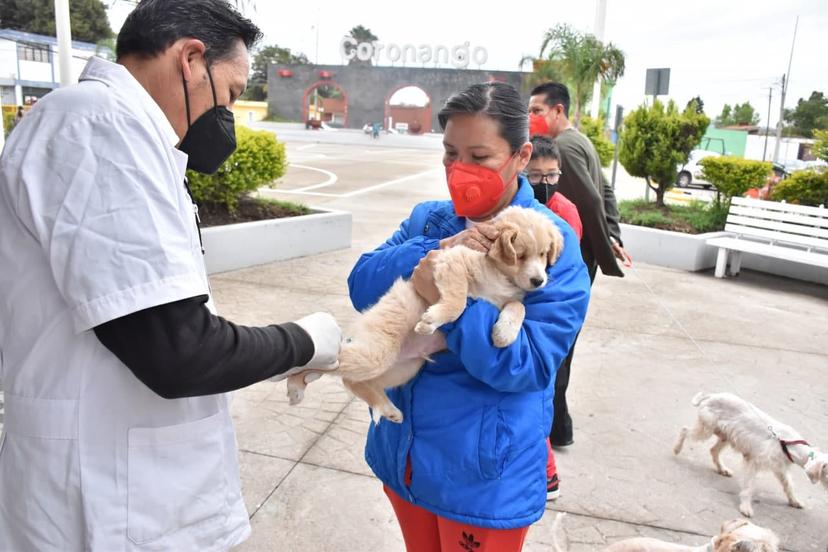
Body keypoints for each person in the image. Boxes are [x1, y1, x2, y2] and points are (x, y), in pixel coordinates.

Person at [0, 1, 340, 549]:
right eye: (229, 92)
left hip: (126, 482)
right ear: (190, 60)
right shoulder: (97, 126)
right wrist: (303, 341)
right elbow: (178, 351)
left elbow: (162, 318)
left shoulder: (123, 133)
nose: (227, 113)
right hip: (105, 497)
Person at [347, 82, 591, 551]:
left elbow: (529, 365)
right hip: (406, 457)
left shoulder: (549, 243)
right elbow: (361, 284)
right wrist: (434, 255)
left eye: (479, 157)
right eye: (449, 153)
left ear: (520, 156)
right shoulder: (429, 220)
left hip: (483, 474)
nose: (459, 170)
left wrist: (448, 298)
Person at [528, 82, 632, 447]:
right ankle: (559, 427)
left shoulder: (565, 148)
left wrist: (606, 251)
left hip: (569, 261)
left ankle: (554, 427)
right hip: (576, 258)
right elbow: (606, 191)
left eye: (537, 111)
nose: (532, 118)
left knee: (552, 343)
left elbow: (590, 200)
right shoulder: (580, 140)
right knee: (562, 343)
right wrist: (614, 236)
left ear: (558, 111)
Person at [524, 134, 584, 500]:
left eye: (552, 175)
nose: (544, 184)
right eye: (535, 176)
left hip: (544, 318)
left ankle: (548, 475)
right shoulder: (517, 208)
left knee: (540, 393)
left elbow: (562, 274)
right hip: (519, 310)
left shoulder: (564, 213)